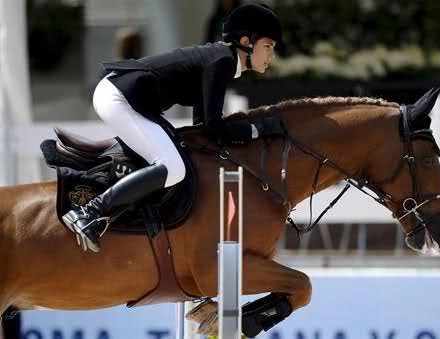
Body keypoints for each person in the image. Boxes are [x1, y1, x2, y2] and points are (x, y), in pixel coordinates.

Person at [62, 3, 283, 252]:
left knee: (177, 156)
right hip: (120, 97)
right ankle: (89, 212)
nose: (271, 56)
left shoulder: (221, 61)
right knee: (172, 167)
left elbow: (203, 127)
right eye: (268, 46)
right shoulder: (221, 62)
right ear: (246, 41)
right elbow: (213, 128)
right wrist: (260, 130)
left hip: (127, 97)